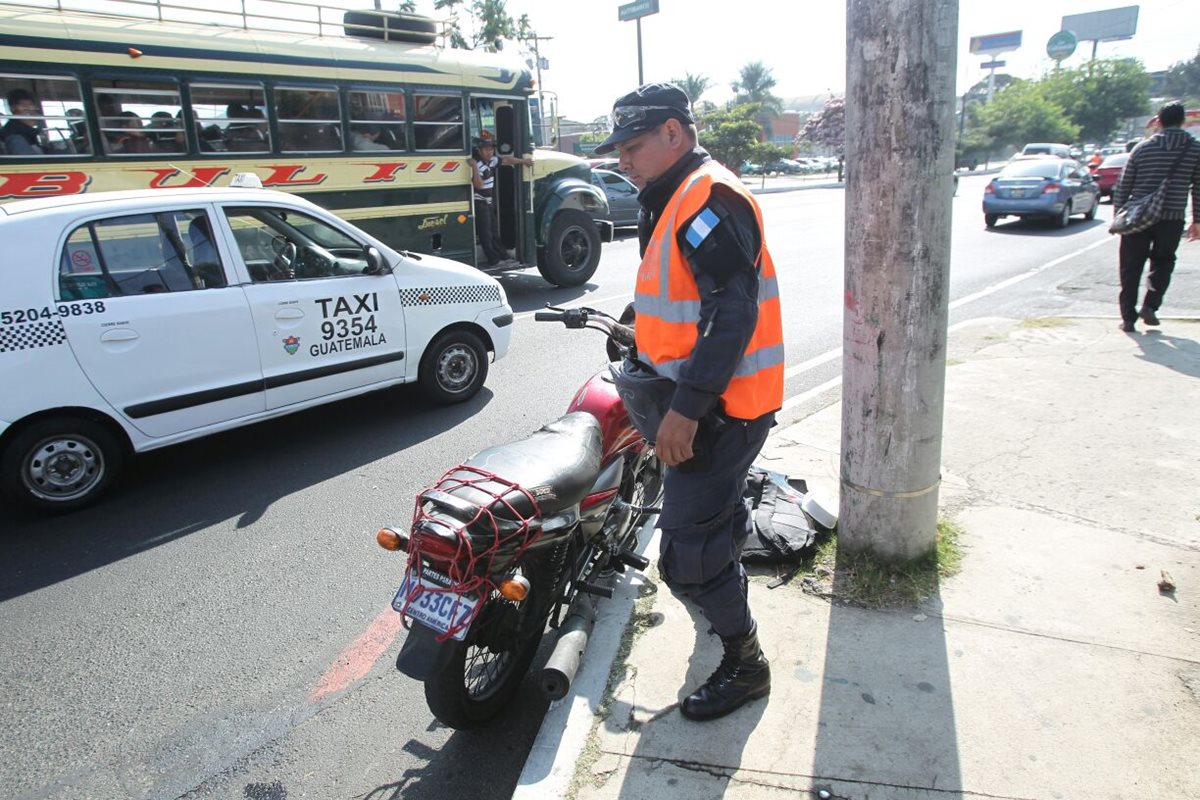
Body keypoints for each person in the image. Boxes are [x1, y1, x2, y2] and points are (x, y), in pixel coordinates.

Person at [594, 83, 784, 722]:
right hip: (712, 403)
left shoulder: (706, 197)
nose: (623, 158)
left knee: (686, 559)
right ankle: (726, 597)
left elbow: (731, 312)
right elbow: (681, 298)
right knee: (713, 523)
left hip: (719, 412)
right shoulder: (677, 195)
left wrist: (687, 411)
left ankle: (745, 661)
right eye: (618, 147)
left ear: (675, 133)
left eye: (634, 144)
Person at [1111, 100, 1200, 332]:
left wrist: (1118, 215)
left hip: (1138, 217)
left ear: (1158, 121)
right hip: (1171, 216)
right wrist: (1197, 220)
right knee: (1163, 262)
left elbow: (1124, 184)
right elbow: (1198, 188)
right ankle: (1150, 305)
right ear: (1184, 122)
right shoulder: (1194, 150)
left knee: (1131, 266)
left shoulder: (1142, 148)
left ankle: (1128, 318)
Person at [471, 133, 532, 268]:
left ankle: (503, 257)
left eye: (491, 149)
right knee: (485, 234)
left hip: (487, 203)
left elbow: (507, 160)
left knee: (493, 232)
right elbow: (478, 185)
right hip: (479, 203)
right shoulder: (478, 165)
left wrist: (524, 162)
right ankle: (494, 260)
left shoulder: (492, 161)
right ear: (479, 151)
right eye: (486, 149)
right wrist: (474, 167)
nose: (490, 152)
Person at [2, 88, 45, 155]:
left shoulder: (27, 133)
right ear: (12, 109)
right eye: (24, 108)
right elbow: (32, 163)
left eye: (32, 107)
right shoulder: (15, 138)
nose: (31, 113)